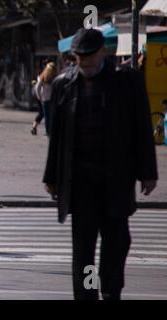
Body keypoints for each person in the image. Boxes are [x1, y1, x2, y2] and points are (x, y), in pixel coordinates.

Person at [43, 28, 158, 300]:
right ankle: (85, 297)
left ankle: (110, 291)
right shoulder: (64, 84)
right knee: (83, 248)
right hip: (80, 182)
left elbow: (142, 128)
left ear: (102, 52)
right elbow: (56, 136)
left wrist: (148, 173)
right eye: (79, 57)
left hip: (116, 179)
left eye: (90, 57)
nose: (85, 63)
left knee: (117, 243)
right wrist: (51, 177)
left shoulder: (127, 82)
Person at [31, 62, 57, 136]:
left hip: (48, 99)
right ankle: (47, 130)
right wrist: (39, 97)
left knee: (46, 115)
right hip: (45, 99)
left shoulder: (54, 78)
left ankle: (47, 130)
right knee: (46, 115)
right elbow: (37, 88)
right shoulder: (43, 77)